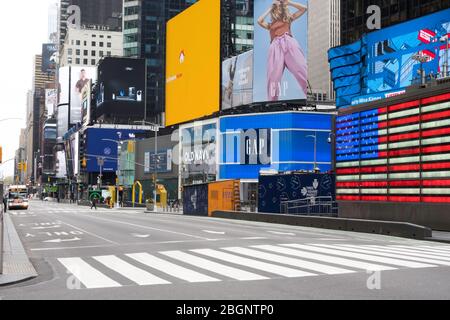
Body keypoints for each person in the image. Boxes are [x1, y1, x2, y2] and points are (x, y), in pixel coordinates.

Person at [257, 0, 308, 101]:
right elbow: (259, 20)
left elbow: (304, 9)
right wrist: (271, 8)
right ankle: (272, 102)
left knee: (301, 68)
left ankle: (309, 94)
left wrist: (288, 2)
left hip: (288, 42)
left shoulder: (288, 19)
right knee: (273, 77)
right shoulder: (270, 25)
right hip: (275, 46)